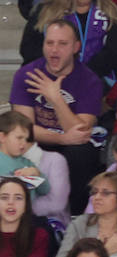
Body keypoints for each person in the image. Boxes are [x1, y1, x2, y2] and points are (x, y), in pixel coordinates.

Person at [9, 20, 103, 211]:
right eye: (49, 43)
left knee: (81, 152)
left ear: (76, 47)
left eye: (62, 44)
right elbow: (24, 130)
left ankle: (77, 217)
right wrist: (62, 138)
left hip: (74, 145)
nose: (54, 50)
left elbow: (81, 131)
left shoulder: (90, 80)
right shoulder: (26, 75)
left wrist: (56, 98)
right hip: (38, 141)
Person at [22, 0, 117, 83]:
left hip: (98, 82)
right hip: (51, 79)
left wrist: (82, 75)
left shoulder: (113, 13)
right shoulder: (45, 11)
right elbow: (29, 49)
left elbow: (114, 53)